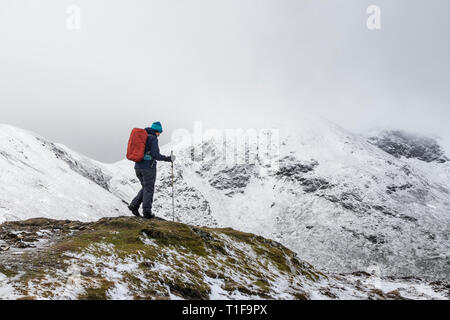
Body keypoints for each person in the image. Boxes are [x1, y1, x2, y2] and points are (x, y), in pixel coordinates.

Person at [128, 121, 175, 218]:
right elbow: (155, 155)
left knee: (145, 187)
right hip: (148, 168)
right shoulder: (153, 138)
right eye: (159, 132)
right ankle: (147, 212)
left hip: (138, 167)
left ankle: (134, 205)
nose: (159, 135)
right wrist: (167, 158)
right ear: (156, 131)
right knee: (149, 189)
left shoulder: (143, 137)